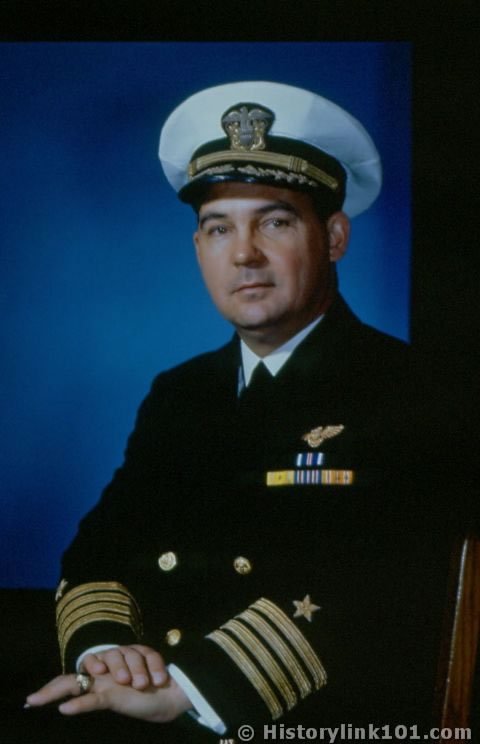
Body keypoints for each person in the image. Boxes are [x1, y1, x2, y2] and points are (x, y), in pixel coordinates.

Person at [26, 81, 465, 742]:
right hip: (158, 709)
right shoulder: (181, 392)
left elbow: (384, 584)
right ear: (198, 249)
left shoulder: (418, 389)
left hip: (318, 722)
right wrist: (107, 651)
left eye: (275, 221)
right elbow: (102, 546)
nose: (243, 253)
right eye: (219, 227)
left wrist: (190, 689)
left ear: (335, 236)